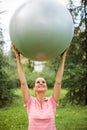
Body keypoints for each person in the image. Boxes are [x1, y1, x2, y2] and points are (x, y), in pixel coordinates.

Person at [12, 43, 69, 130]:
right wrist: (17, 57)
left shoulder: (52, 102)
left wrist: (63, 58)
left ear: (46, 87)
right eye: (38, 82)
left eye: (43, 82)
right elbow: (23, 82)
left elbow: (58, 82)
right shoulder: (29, 102)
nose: (41, 83)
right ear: (34, 88)